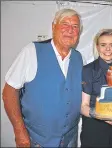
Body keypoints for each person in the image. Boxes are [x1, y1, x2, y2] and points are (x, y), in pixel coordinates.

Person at [2, 9, 83, 147]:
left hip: (70, 139)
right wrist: (19, 131)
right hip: (37, 140)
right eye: (65, 24)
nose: (70, 30)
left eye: (75, 26)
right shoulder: (32, 51)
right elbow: (8, 93)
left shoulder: (79, 58)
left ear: (78, 33)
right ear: (53, 26)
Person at [80, 29, 112, 147]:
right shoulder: (88, 70)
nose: (108, 49)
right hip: (94, 129)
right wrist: (100, 115)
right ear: (97, 47)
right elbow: (83, 106)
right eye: (103, 45)